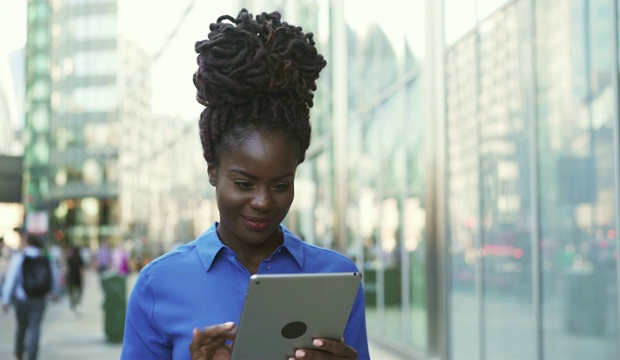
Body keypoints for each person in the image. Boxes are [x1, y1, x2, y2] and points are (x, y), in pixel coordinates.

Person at [121, 8, 370, 360]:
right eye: (244, 183)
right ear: (212, 171)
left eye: (281, 185)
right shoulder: (157, 285)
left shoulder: (338, 278)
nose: (263, 201)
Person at [1, 228, 60, 360]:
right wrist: (55, 293)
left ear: (26, 242)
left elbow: (11, 279)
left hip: (21, 299)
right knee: (35, 329)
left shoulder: (19, 258)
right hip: (39, 299)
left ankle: (19, 352)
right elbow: (54, 277)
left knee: (21, 327)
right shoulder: (45, 257)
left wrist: (6, 299)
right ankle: (32, 356)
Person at [65, 245, 85, 316]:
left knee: (71, 294)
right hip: (77, 278)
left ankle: (72, 306)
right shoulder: (80, 258)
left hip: (71, 278)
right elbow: (82, 270)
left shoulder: (69, 259)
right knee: (78, 292)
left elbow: (66, 269)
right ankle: (77, 304)